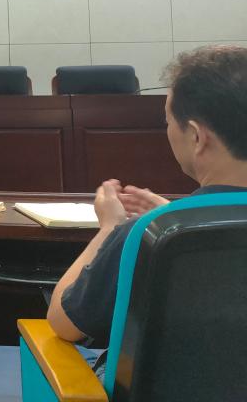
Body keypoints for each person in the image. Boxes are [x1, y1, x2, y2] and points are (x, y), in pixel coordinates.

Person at [47, 45, 247, 378]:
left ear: (197, 137)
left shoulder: (147, 235)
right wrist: (175, 214)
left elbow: (63, 322)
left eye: (168, 122)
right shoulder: (164, 225)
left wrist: (110, 228)